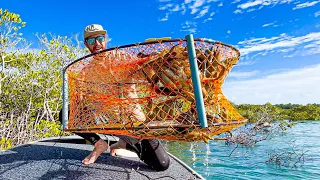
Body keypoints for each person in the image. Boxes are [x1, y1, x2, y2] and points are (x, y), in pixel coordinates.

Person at [59, 24, 170, 171]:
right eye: (91, 41)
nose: (97, 44)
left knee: (162, 164)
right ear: (86, 44)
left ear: (106, 39)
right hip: (108, 123)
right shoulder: (86, 71)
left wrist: (154, 58)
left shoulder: (122, 56)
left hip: (135, 124)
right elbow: (81, 102)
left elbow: (147, 70)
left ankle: (124, 143)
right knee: (66, 113)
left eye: (100, 38)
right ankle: (100, 144)